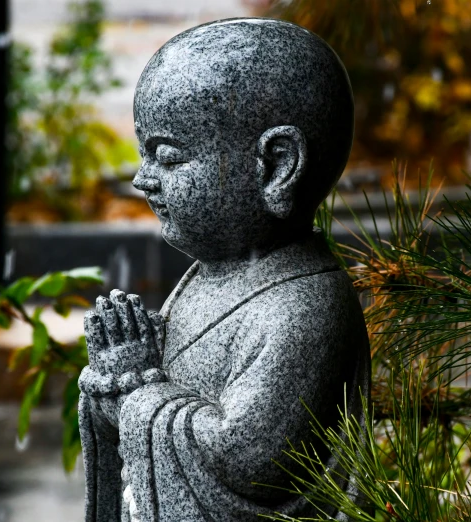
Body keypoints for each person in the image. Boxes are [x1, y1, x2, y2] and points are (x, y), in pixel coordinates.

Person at [78, 17, 370, 522]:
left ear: (277, 165)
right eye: (143, 153)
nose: (141, 179)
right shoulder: (205, 276)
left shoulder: (305, 307)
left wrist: (138, 389)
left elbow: (248, 460)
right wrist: (112, 384)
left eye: (167, 157)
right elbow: (150, 420)